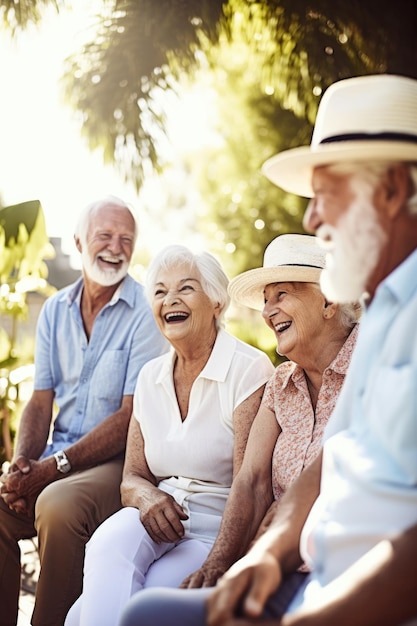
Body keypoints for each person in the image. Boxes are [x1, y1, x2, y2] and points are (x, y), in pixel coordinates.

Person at [118, 73, 417, 626]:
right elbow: (329, 462)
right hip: (306, 574)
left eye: (326, 196)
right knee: (145, 615)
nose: (312, 217)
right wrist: (263, 558)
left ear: (393, 190)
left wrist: (312, 616)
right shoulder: (387, 312)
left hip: (359, 598)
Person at [64, 244, 275, 626]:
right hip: (154, 519)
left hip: (213, 532)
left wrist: (221, 562)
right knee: (106, 543)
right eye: (159, 291)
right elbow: (132, 477)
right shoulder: (150, 376)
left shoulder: (248, 369)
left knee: (92, 614)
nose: (170, 300)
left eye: (185, 288)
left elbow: (252, 482)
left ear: (216, 302)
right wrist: (147, 497)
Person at [0, 195, 169, 626]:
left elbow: (131, 415)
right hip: (58, 453)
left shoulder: (146, 313)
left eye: (126, 239)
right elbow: (41, 401)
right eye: (105, 236)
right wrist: (23, 463)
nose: (115, 247)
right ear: (78, 242)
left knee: (58, 506)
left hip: (118, 461)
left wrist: (52, 468)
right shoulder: (55, 310)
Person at [176, 233, 359, 591]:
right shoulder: (281, 384)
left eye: (282, 295)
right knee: (147, 612)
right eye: (265, 300)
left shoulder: (374, 364)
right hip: (274, 567)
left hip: (345, 569)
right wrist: (218, 565)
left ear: (328, 301)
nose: (267, 311)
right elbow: (251, 482)